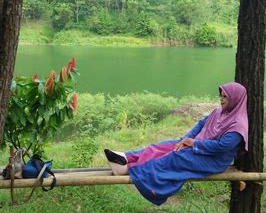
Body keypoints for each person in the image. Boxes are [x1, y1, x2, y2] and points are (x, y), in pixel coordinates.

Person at [104, 82, 249, 206]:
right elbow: (200, 125)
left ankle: (129, 169)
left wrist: (193, 144)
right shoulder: (218, 113)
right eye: (221, 96)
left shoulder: (238, 125)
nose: (221, 100)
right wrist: (184, 140)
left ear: (235, 99)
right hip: (198, 147)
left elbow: (222, 146)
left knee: (175, 156)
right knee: (166, 146)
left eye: (225, 97)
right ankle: (125, 157)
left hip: (214, 160)